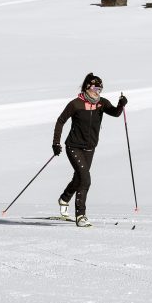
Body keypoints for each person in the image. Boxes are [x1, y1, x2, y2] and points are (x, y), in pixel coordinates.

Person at [52, 73, 127, 227]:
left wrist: (121, 105)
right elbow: (60, 121)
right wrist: (56, 143)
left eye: (100, 88)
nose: (98, 91)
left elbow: (115, 113)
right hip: (73, 146)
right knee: (86, 179)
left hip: (90, 148)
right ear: (87, 87)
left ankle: (65, 198)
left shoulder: (102, 103)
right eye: (95, 88)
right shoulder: (75, 104)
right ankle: (81, 216)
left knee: (79, 178)